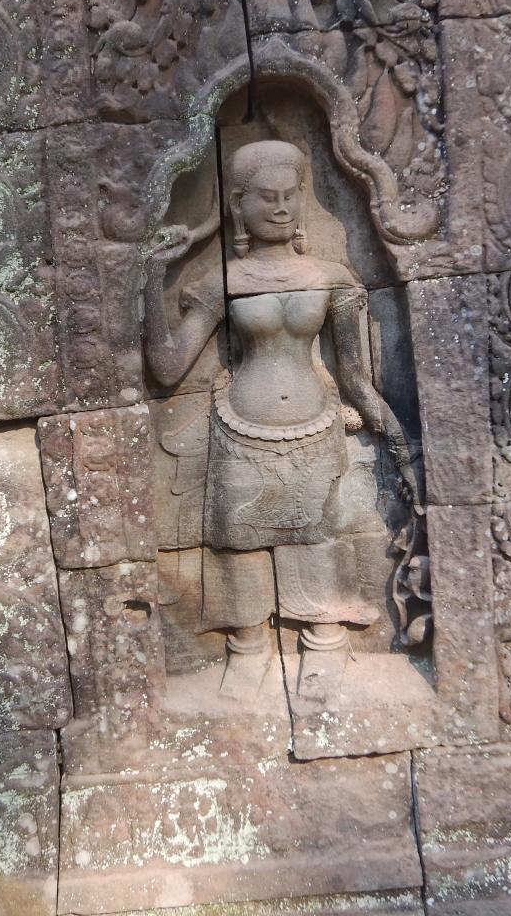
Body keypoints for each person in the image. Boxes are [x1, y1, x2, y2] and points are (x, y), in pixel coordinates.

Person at [143, 139, 418, 699]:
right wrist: (151, 279)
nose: (281, 208)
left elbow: (355, 377)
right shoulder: (224, 281)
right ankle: (247, 650)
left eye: (291, 196)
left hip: (315, 427)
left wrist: (399, 442)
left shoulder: (332, 277)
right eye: (266, 198)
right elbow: (168, 368)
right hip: (239, 431)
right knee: (238, 544)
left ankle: (324, 644)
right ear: (238, 206)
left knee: (318, 538)